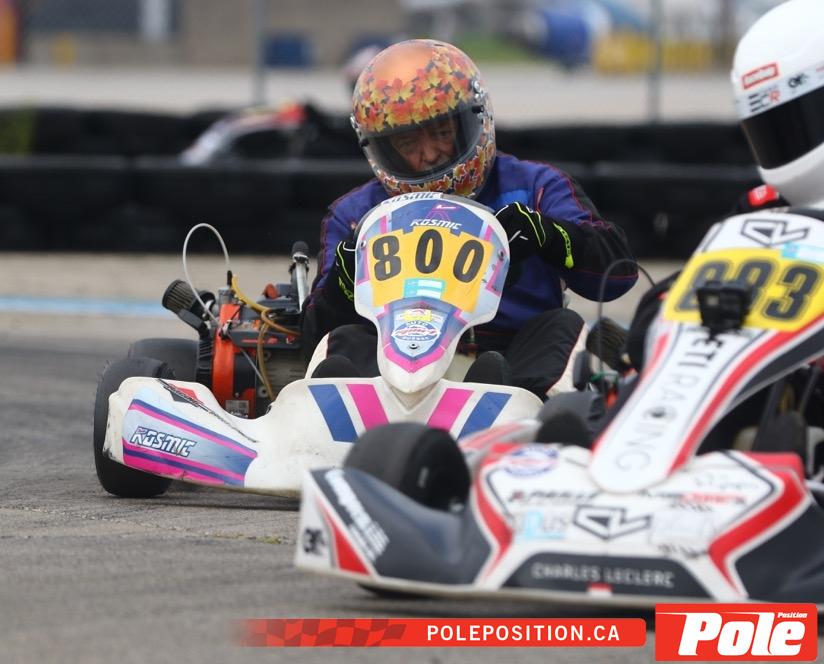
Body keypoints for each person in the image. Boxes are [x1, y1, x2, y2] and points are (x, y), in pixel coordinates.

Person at [302, 39, 637, 398]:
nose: (430, 154)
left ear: (475, 118)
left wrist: (548, 236)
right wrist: (343, 282)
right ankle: (348, 411)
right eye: (408, 144)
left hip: (511, 359)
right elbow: (314, 334)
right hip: (395, 365)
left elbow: (617, 274)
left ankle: (518, 406)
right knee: (344, 339)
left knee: (562, 325)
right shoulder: (356, 215)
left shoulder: (534, 187)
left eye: (441, 133)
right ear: (380, 148)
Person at [625, 0, 824, 373]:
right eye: (772, 128)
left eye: (802, 121)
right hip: (772, 389)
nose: (786, 139)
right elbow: (677, 296)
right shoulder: (765, 210)